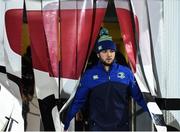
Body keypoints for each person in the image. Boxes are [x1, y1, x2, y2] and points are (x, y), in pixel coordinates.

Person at [63, 28, 148, 131]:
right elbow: (78, 101)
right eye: (104, 51)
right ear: (98, 54)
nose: (109, 55)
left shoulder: (126, 73)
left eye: (112, 51)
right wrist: (64, 124)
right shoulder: (89, 75)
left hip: (121, 127)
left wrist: (155, 116)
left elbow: (139, 98)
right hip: (97, 128)